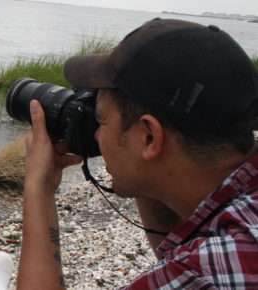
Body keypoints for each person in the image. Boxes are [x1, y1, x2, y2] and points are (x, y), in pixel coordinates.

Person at [16, 18, 258, 288]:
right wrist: (142, 169)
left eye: (102, 120)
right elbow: (177, 254)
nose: (96, 134)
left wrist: (40, 186)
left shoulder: (206, 275)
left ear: (150, 136)